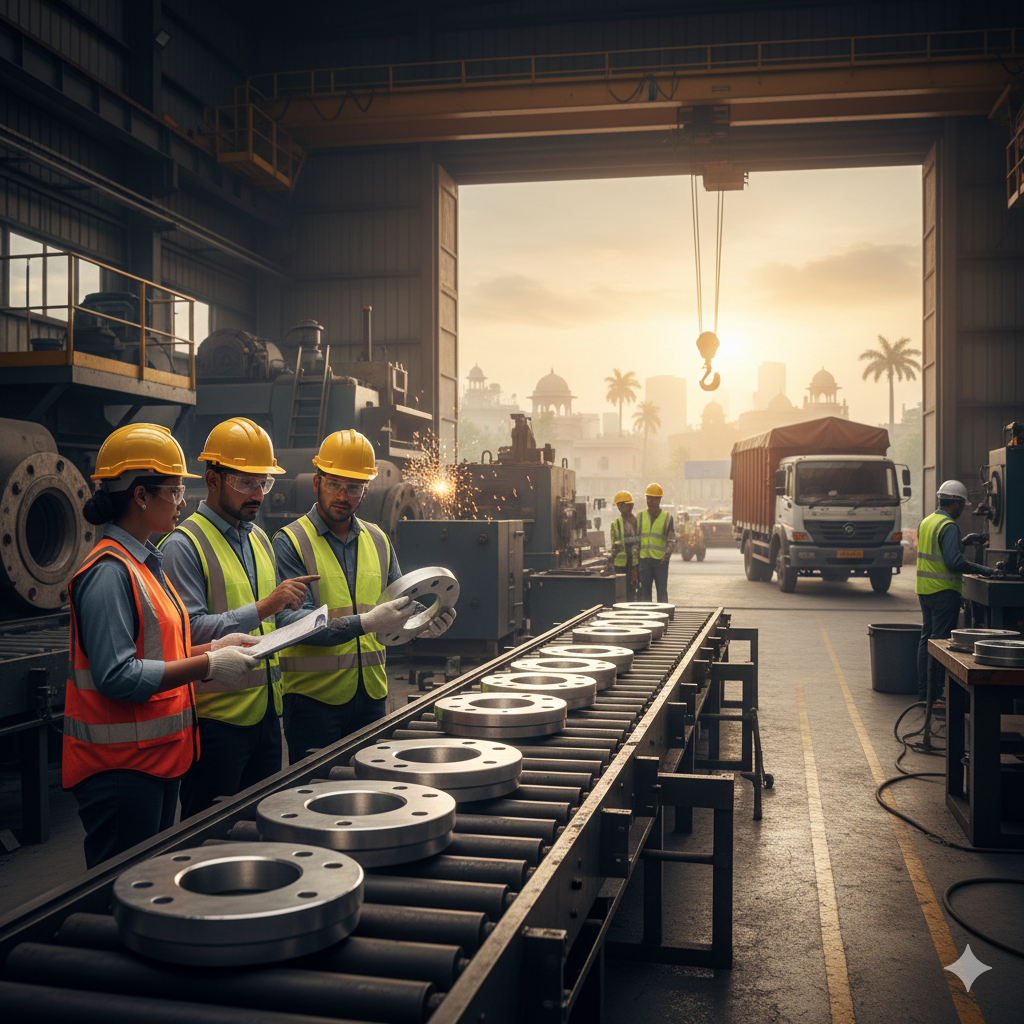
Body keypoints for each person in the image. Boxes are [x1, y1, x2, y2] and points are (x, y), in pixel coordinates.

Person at [64, 423, 260, 868]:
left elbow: (158, 653)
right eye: (174, 491)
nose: (182, 501)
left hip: (155, 759)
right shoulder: (109, 573)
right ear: (140, 495)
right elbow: (117, 677)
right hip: (120, 770)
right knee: (119, 892)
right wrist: (208, 665)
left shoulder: (146, 563)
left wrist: (212, 649)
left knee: (147, 882)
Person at [160, 417, 319, 818]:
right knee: (208, 836)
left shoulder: (258, 537)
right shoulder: (183, 545)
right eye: (244, 483)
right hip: (215, 724)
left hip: (265, 715)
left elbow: (269, 624)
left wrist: (311, 623)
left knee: (259, 829)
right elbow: (188, 632)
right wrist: (265, 606)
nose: (257, 495)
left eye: (263, 483)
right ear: (213, 479)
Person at [273, 429, 456, 763]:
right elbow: (289, 623)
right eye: (334, 484)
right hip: (314, 703)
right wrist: (366, 622)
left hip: (372, 697)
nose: (343, 495)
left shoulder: (379, 540)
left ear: (365, 490)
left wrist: (424, 625)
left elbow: (402, 608)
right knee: (315, 799)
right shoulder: (291, 542)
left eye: (354, 487)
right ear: (316, 482)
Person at [916, 479, 994, 706]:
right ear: (956, 503)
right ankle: (935, 696)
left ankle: (925, 694)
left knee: (926, 642)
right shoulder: (949, 525)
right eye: (963, 505)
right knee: (939, 644)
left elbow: (939, 550)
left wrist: (964, 541)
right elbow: (953, 561)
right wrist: (984, 570)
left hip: (925, 591)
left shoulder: (928, 521)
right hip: (943, 593)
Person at [637, 483, 675, 603]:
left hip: (660, 562)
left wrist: (665, 558)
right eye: (648, 498)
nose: (649, 501)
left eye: (653, 499)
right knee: (645, 593)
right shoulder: (640, 517)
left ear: (659, 499)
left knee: (662, 592)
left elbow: (671, 541)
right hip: (644, 561)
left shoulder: (667, 518)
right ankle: (647, 619)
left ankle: (664, 616)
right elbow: (636, 540)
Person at [609, 490, 640, 600]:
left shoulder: (639, 523)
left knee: (636, 593)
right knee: (623, 594)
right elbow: (614, 545)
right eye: (618, 506)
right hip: (621, 565)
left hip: (636, 564)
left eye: (621, 506)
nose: (619, 509)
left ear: (629, 505)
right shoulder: (616, 524)